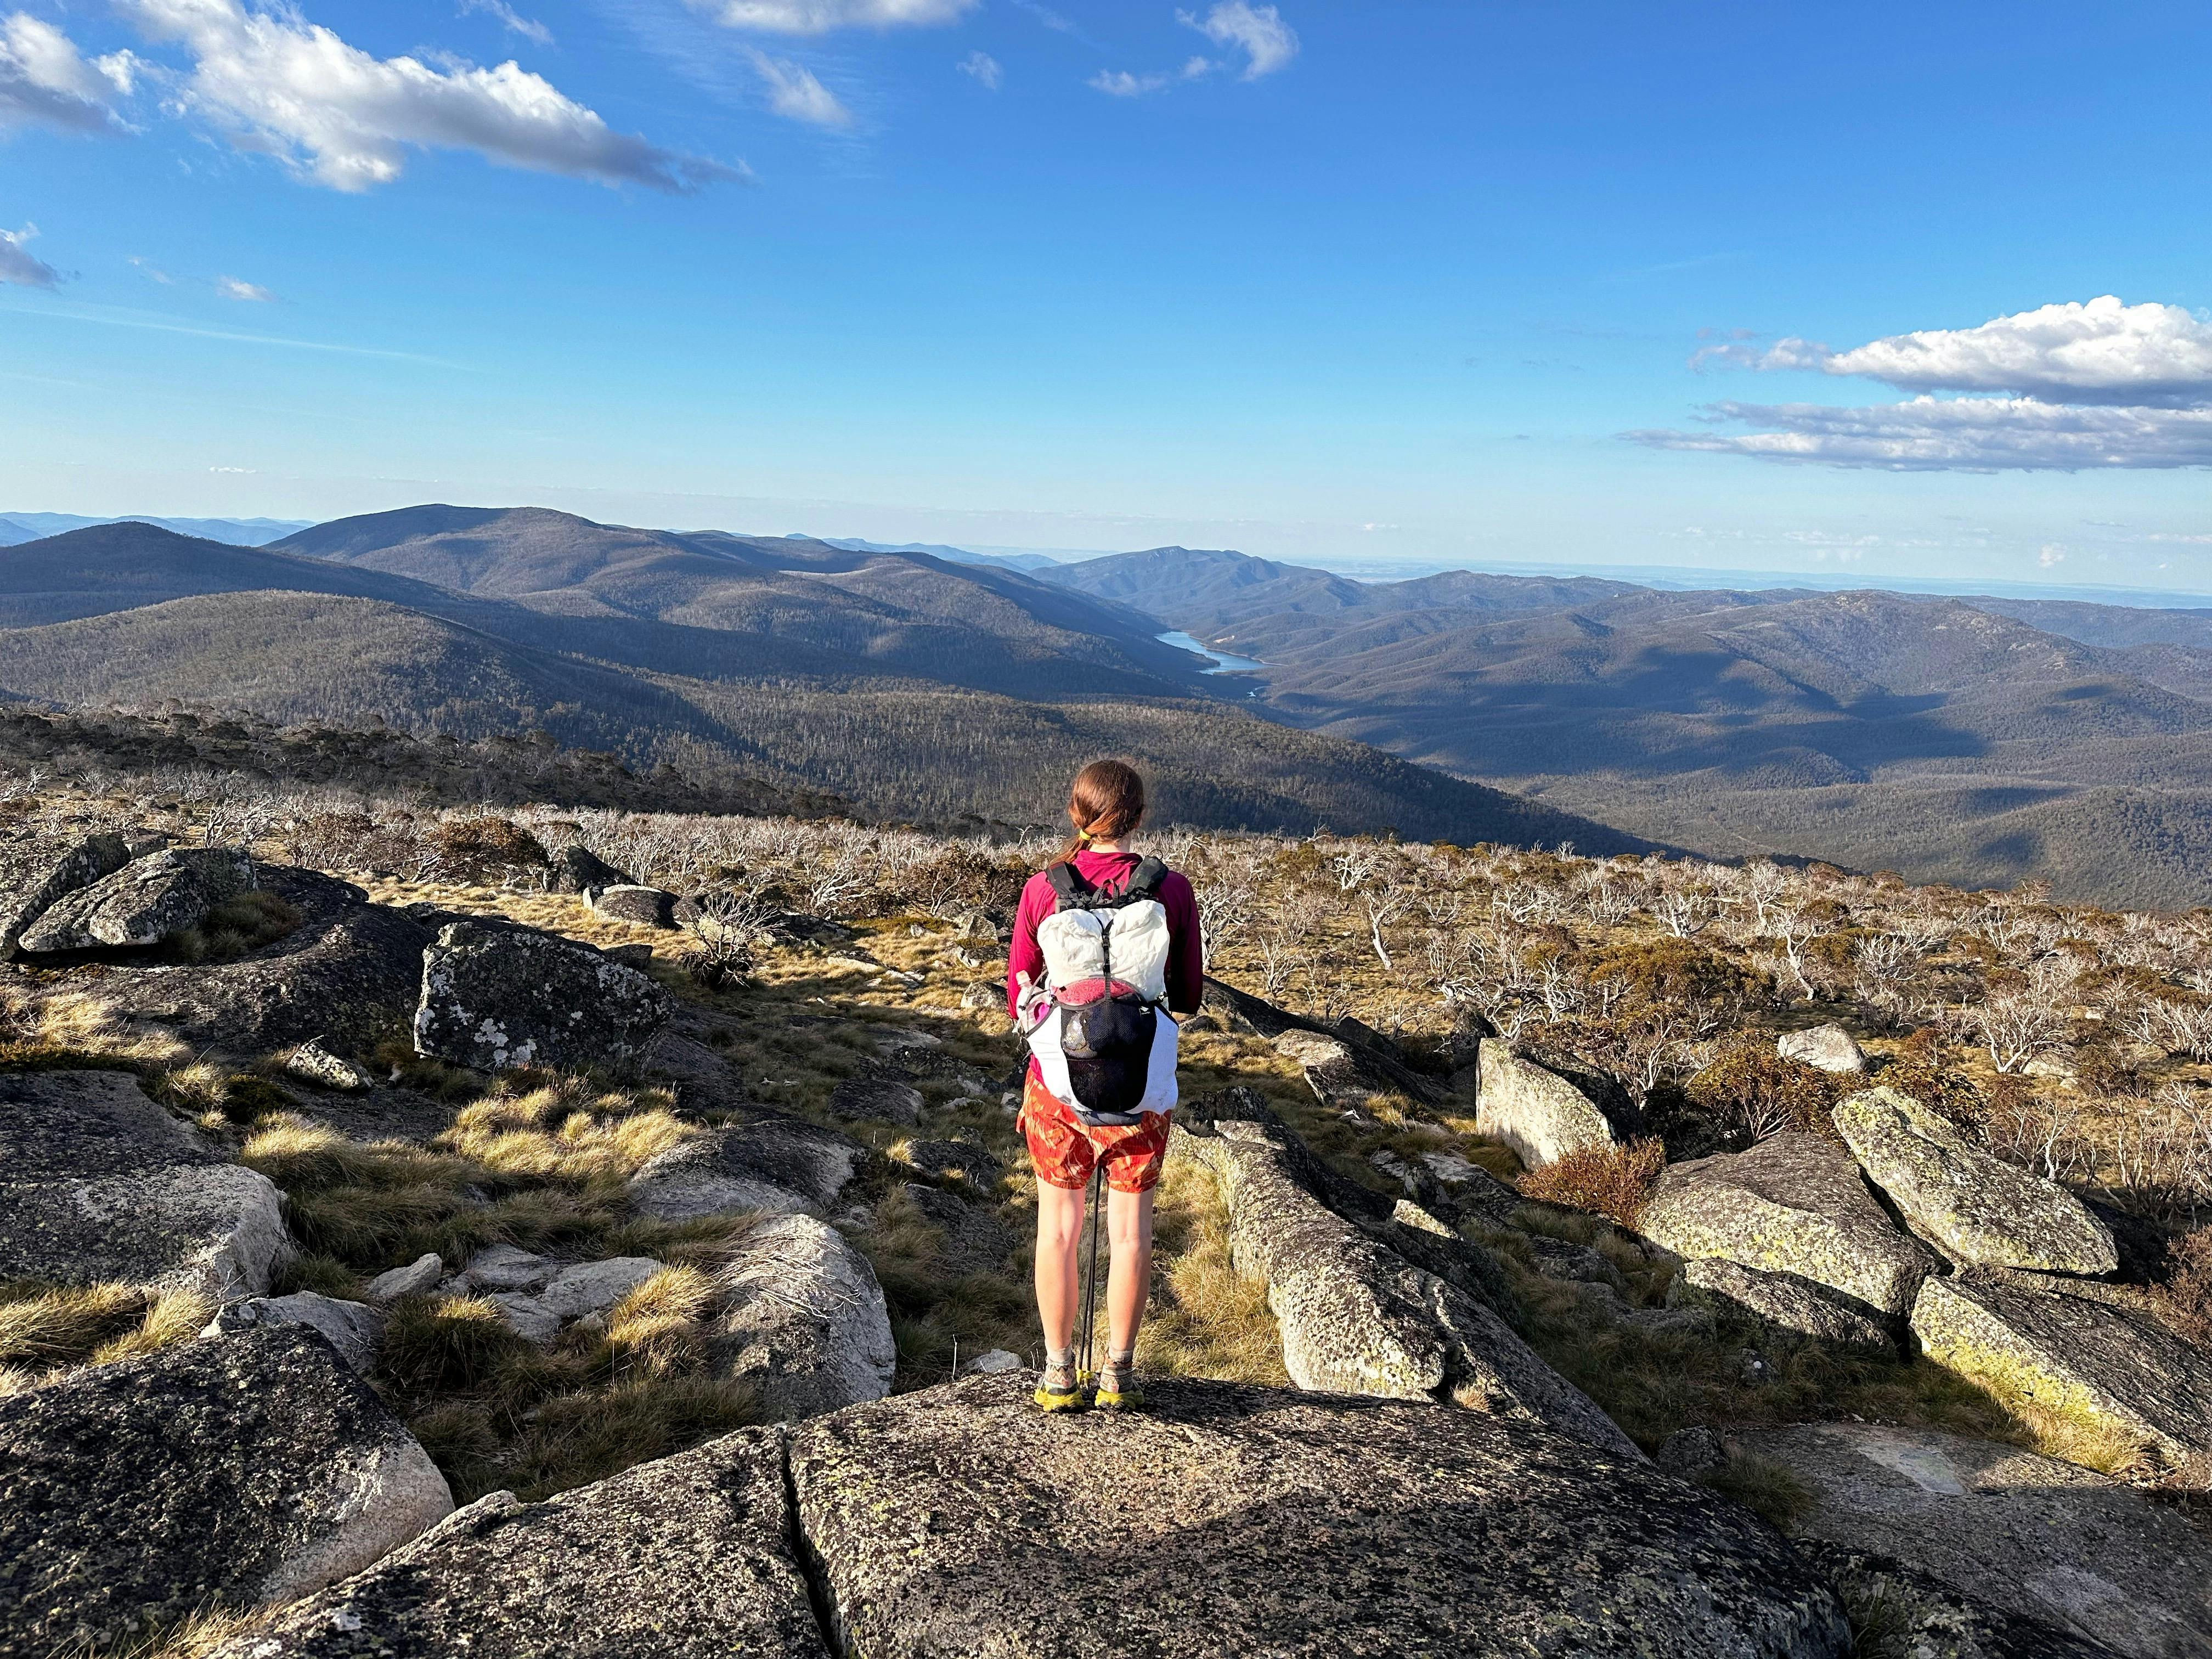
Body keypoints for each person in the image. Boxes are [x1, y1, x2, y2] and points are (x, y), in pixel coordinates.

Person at [1007, 759, 1203, 1412]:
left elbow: (1019, 990)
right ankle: (1119, 1373)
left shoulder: (1043, 888)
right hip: (1141, 1088)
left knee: (1058, 1231)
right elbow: (1191, 995)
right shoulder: (1171, 890)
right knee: (1131, 1234)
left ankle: (1059, 1375)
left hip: (1058, 1088)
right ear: (1140, 817)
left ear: (1077, 815)